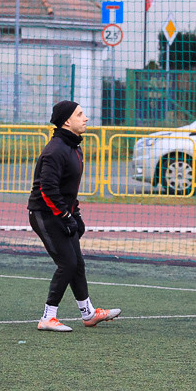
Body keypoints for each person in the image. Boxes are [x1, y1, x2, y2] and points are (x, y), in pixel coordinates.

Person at [29, 100, 120, 331]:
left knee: (77, 263)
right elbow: (47, 190)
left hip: (60, 212)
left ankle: (88, 314)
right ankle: (48, 317)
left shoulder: (73, 148)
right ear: (67, 121)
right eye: (80, 114)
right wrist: (65, 216)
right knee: (67, 263)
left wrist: (75, 214)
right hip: (44, 214)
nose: (85, 118)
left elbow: (68, 190)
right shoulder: (55, 150)